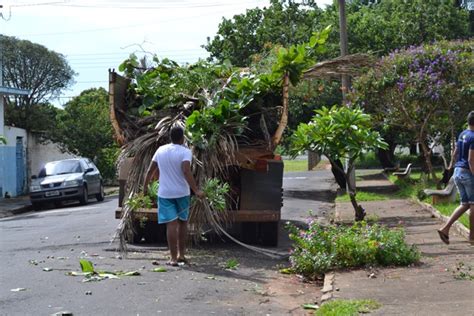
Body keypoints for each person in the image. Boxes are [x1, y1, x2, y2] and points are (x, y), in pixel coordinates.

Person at [144, 125, 205, 266]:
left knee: (171, 224)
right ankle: (181, 255)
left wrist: (145, 188)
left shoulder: (160, 150)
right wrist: (196, 190)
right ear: (182, 138)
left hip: (165, 193)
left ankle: (172, 258)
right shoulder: (185, 152)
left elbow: (150, 171)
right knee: (183, 223)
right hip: (182, 193)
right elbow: (186, 170)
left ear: (170, 137)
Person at [437, 111, 474, 244]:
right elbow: (471, 159)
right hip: (467, 172)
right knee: (473, 204)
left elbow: (455, 152)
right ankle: (472, 237)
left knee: (465, 204)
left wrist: (452, 166)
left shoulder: (462, 134)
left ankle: (445, 228)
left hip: (458, 171)